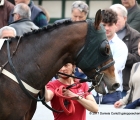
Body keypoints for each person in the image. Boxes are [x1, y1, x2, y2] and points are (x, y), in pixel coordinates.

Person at [94, 9, 128, 104]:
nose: (107, 28)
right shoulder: (92, 44)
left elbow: (112, 70)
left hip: (112, 94)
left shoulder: (121, 46)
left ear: (115, 25)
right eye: (104, 25)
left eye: (110, 25)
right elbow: (81, 69)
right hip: (92, 93)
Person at [110, 4, 140, 97]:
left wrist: (121, 52)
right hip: (104, 86)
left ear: (125, 18)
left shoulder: (135, 35)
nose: (113, 22)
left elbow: (137, 59)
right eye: (111, 19)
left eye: (116, 19)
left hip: (125, 87)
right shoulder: (102, 35)